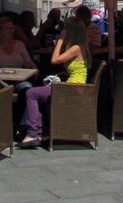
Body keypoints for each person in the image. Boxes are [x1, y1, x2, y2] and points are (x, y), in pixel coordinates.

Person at [21, 15, 91, 147]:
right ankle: (43, 131)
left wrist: (60, 40)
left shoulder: (76, 48)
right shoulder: (80, 46)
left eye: (65, 28)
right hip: (74, 86)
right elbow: (78, 68)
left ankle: (33, 133)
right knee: (40, 93)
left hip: (72, 89)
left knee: (31, 93)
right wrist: (65, 73)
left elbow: (54, 60)